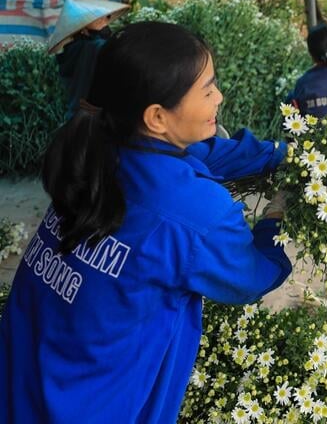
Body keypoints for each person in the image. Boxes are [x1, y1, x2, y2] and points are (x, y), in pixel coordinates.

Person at [0, 21, 292, 423]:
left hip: (23, 382)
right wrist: (275, 215)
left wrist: (281, 151)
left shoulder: (99, 148)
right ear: (157, 117)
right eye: (207, 89)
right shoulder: (194, 213)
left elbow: (204, 154)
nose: (219, 97)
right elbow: (252, 277)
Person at [47, 0, 130, 117]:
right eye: (97, 18)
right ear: (82, 25)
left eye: (106, 16)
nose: (104, 19)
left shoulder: (80, 45)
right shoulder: (92, 46)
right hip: (90, 111)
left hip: (80, 110)